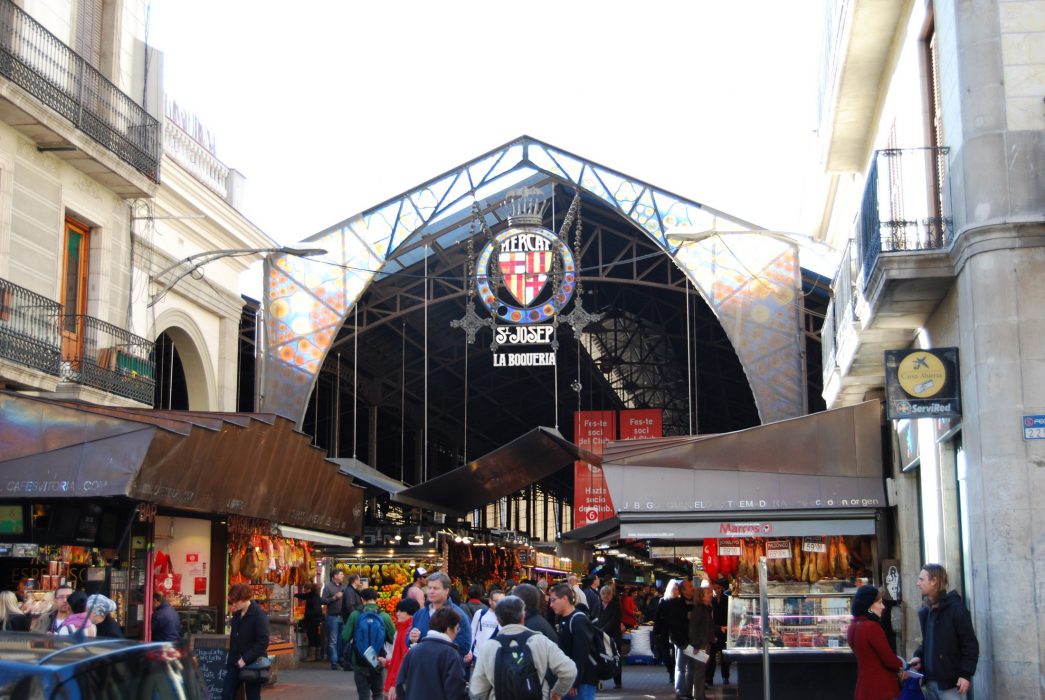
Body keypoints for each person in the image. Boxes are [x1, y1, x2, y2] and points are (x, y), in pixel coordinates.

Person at [469, 594, 577, 700]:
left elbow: (477, 690)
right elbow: (569, 671)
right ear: (523, 616)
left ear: (498, 620)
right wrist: (556, 693)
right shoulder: (539, 641)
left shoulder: (489, 647)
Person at [910, 564, 979, 699]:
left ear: (934, 581)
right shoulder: (927, 610)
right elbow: (928, 642)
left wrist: (965, 675)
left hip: (951, 686)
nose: (918, 583)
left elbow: (970, 645)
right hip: (930, 683)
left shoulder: (956, 609)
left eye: (921, 579)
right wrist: (918, 656)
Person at [394, 606, 468, 700]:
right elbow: (456, 692)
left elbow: (400, 684)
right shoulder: (451, 654)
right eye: (457, 628)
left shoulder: (413, 651)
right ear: (449, 629)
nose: (457, 632)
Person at [847, 585, 903, 700]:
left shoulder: (852, 627)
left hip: (863, 688)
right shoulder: (872, 627)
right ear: (869, 607)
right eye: (879, 603)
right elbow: (889, 660)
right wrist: (901, 664)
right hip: (881, 689)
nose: (883, 607)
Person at [342, 587, 396, 700]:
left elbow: (345, 636)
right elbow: (393, 639)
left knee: (363, 695)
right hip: (378, 661)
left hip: (359, 661)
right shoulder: (384, 616)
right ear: (376, 599)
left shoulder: (355, 615)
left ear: (362, 599)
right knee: (378, 694)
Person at [408, 572, 473, 661]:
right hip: (421, 666)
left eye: (435, 588)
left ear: (446, 590)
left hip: (446, 668)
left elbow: (464, 646)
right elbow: (408, 637)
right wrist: (410, 638)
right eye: (429, 588)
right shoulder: (420, 614)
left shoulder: (458, 614)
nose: (431, 591)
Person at [549, 584, 599, 700]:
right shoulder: (564, 619)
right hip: (572, 679)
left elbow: (581, 654)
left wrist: (574, 682)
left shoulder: (578, 620)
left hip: (582, 681)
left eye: (553, 600)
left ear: (565, 598)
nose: (551, 605)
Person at [222, 583, 269, 700]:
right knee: (227, 694)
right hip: (235, 662)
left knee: (252, 696)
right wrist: (231, 662)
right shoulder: (237, 614)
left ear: (244, 599)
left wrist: (245, 659)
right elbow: (235, 638)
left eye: (236, 601)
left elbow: (263, 642)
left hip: (252, 663)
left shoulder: (258, 615)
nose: (233, 604)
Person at [383, 598, 419, 700]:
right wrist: (387, 662)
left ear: (411, 612)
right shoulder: (402, 629)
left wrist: (395, 685)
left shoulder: (407, 632)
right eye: (397, 610)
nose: (397, 613)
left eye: (401, 611)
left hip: (401, 682)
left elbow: (403, 661)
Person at [321, 569, 349, 669]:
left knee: (342, 639)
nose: (343, 576)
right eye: (341, 574)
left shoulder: (344, 587)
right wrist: (334, 597)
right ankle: (334, 661)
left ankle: (340, 659)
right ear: (335, 576)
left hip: (343, 617)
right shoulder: (328, 587)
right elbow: (323, 600)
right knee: (333, 640)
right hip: (332, 617)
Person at [596, 585, 623, 689]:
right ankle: (597, 681)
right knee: (599, 658)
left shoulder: (616, 605)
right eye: (603, 594)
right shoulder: (598, 605)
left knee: (616, 659)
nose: (606, 596)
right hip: (600, 637)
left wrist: (603, 630)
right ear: (600, 595)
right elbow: (594, 618)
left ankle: (618, 682)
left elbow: (614, 621)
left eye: (608, 594)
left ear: (612, 595)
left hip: (613, 636)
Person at [707, 578, 731, 686]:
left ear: (722, 588)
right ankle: (709, 677)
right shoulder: (711, 601)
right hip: (714, 630)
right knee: (711, 656)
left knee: (725, 656)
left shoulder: (728, 600)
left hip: (725, 630)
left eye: (719, 588)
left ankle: (725, 676)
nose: (717, 590)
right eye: (715, 588)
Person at [470, 587, 504, 658]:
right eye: (497, 601)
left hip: (496, 657)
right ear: (490, 601)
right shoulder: (480, 613)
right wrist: (469, 650)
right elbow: (472, 632)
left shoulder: (506, 617)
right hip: (478, 655)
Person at [294, 582, 324, 661]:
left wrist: (306, 616)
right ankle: (318, 656)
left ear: (309, 589)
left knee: (311, 637)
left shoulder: (311, 596)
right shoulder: (316, 596)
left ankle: (312, 656)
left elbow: (303, 596)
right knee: (316, 637)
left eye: (305, 589)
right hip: (317, 620)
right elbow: (303, 596)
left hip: (312, 620)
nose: (304, 591)